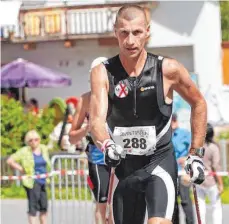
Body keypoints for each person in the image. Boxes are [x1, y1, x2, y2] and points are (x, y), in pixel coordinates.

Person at [89, 4, 207, 224]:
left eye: (137, 33)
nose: (130, 41)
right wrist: (106, 145)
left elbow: (198, 102)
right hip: (123, 167)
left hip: (158, 163)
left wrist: (196, 153)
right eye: (124, 33)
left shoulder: (168, 69)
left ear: (147, 32)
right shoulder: (103, 72)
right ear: (115, 32)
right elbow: (96, 121)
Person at [69, 57, 112, 224]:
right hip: (98, 157)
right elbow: (72, 138)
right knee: (102, 203)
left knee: (118, 202)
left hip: (121, 155)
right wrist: (87, 129)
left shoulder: (120, 96)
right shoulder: (86, 99)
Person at [7, 130, 51, 224]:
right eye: (31, 140)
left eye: (36, 139)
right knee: (33, 208)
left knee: (44, 207)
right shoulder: (25, 151)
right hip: (32, 182)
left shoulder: (43, 149)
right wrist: (21, 169)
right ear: (28, 141)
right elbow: (10, 160)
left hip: (43, 180)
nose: (34, 142)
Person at [196, 123, 224, 224]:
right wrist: (220, 184)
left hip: (199, 180)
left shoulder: (198, 147)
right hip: (211, 182)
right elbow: (216, 167)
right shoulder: (213, 148)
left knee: (201, 208)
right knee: (216, 206)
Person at [171, 114, 194, 224]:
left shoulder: (185, 134)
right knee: (173, 203)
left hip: (182, 172)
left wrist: (187, 157)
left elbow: (194, 149)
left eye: (174, 120)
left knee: (185, 201)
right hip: (170, 173)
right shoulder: (165, 136)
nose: (172, 123)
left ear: (176, 121)